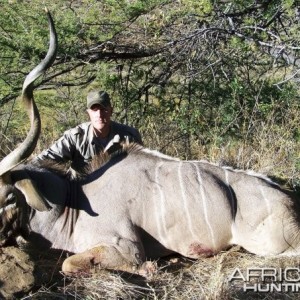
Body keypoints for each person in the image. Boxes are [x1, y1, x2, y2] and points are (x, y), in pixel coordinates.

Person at [36, 90, 142, 174]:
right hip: (82, 193)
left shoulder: (129, 136)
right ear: (88, 113)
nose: (99, 115)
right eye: (94, 110)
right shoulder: (76, 137)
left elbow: (141, 167)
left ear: (111, 111)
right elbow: (46, 159)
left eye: (104, 109)